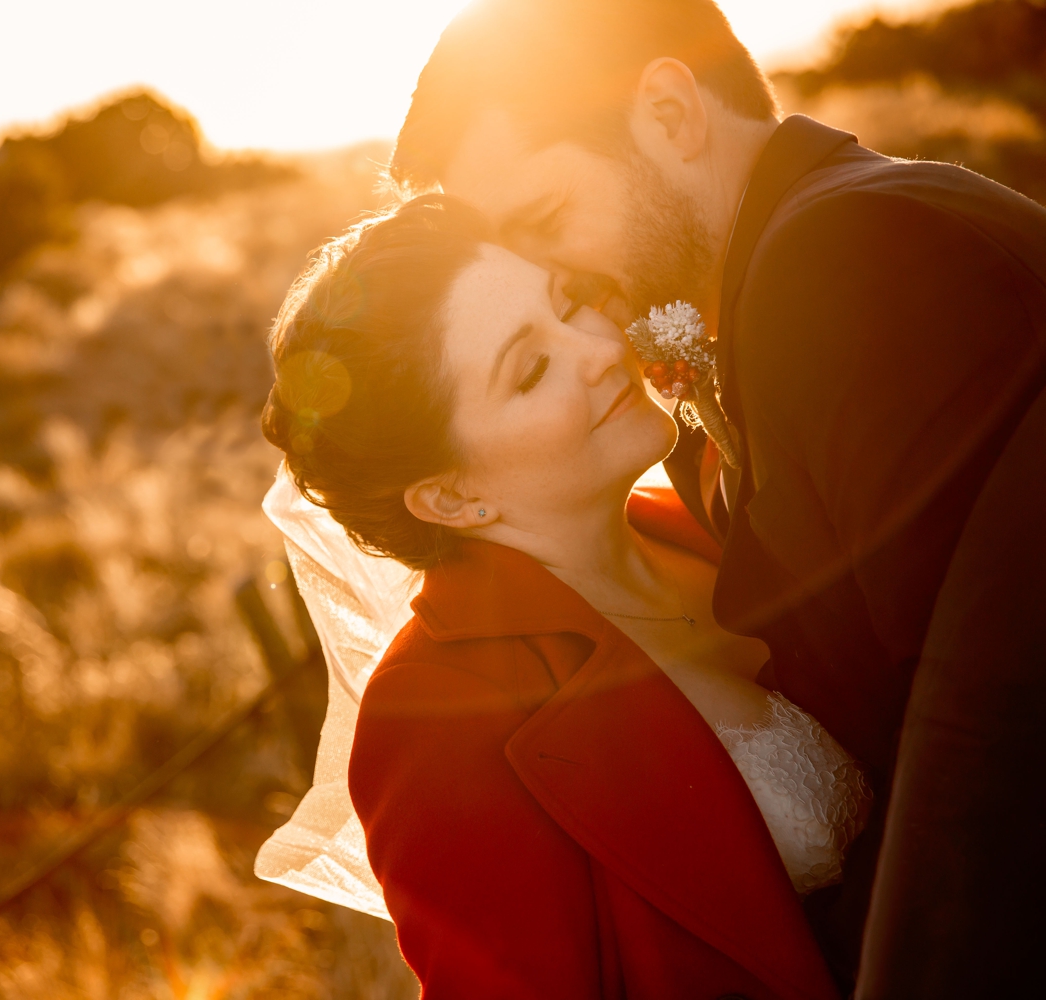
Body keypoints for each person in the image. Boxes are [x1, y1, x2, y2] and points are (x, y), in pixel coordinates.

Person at [370, 1, 1046, 994]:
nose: (570, 294)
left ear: (672, 112)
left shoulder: (854, 257)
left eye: (548, 225)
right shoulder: (798, 267)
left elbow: (991, 753)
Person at [262, 194, 867, 998]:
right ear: (450, 497)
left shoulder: (712, 520)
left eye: (569, 303)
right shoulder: (436, 721)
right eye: (532, 369)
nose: (598, 350)